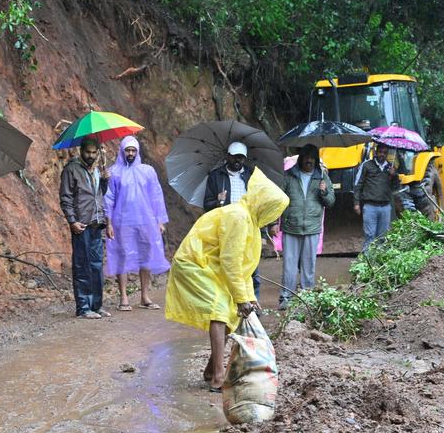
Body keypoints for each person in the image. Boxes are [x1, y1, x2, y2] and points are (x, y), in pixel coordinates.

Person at [166, 171, 289, 391]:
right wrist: (242, 298)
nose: (273, 217)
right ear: (263, 204)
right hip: (194, 263)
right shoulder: (239, 217)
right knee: (221, 308)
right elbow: (231, 262)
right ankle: (218, 377)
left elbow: (244, 266)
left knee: (231, 311)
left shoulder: (250, 221)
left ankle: (211, 369)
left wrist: (248, 297)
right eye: (273, 211)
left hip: (209, 264)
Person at [105, 135, 170, 310]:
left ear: (138, 151)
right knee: (122, 256)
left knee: (146, 256)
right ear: (122, 151)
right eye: (128, 150)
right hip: (122, 221)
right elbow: (109, 198)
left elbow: (156, 196)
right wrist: (109, 222)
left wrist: (159, 220)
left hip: (146, 220)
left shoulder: (148, 171)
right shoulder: (114, 172)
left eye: (133, 150)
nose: (131, 153)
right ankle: (124, 297)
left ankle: (144, 296)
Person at [204, 141, 269, 296]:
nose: (237, 160)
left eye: (240, 157)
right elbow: (207, 204)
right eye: (234, 157)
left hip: (248, 226)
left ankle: (253, 306)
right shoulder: (215, 176)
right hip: (225, 227)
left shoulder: (251, 175)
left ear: (245, 159)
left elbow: (260, 204)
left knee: (251, 266)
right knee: (226, 265)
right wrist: (217, 201)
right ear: (228, 156)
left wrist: (263, 232)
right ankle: (229, 305)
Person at [278, 144, 336, 310]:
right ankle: (285, 298)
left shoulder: (322, 177)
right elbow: (279, 199)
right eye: (306, 156)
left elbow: (331, 202)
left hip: (312, 228)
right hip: (291, 226)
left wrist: (324, 192)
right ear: (301, 158)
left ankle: (307, 298)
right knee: (289, 266)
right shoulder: (288, 176)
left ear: (316, 159)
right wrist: (275, 223)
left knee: (308, 266)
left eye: (312, 157)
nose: (309, 160)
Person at [59, 134, 110, 319]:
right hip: (81, 223)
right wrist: (72, 221)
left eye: (94, 152)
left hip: (97, 223)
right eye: (87, 152)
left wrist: (104, 180)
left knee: (96, 265)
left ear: (98, 153)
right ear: (81, 151)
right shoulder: (71, 169)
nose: (90, 155)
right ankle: (83, 307)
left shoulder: (97, 170)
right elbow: (65, 198)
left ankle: (97, 305)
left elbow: (99, 195)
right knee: (82, 265)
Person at [354, 144, 400, 250]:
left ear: (387, 154)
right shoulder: (367, 165)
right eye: (380, 152)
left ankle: (378, 263)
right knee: (369, 236)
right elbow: (358, 185)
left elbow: (396, 187)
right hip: (370, 206)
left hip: (385, 207)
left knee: (382, 238)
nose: (382, 155)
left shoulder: (391, 168)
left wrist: (394, 176)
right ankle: (366, 263)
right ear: (376, 152)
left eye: (384, 153)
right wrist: (356, 203)